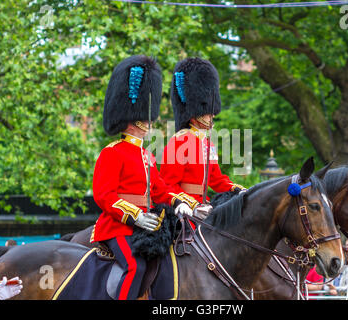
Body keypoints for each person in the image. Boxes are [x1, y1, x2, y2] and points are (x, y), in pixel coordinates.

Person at [91, 55, 201, 300]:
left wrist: (181, 204)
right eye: (143, 117)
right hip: (117, 227)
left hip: (147, 228)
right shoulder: (112, 153)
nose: (149, 122)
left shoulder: (147, 156)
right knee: (134, 266)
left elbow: (160, 191)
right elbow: (103, 195)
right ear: (131, 120)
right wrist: (136, 215)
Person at [160, 57, 246, 215]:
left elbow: (217, 180)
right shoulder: (180, 141)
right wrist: (191, 205)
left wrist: (239, 190)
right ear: (194, 114)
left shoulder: (207, 144)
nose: (211, 115)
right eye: (207, 112)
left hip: (204, 206)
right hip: (182, 210)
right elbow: (168, 184)